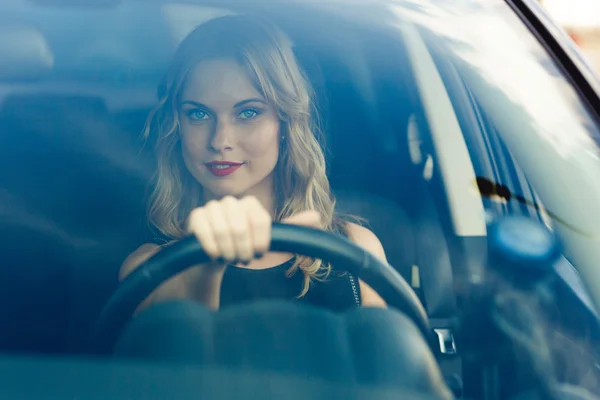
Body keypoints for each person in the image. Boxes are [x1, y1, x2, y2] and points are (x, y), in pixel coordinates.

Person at [120, 14, 387, 312]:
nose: (220, 140)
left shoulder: (355, 251)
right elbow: (173, 357)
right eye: (198, 114)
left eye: (247, 113)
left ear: (286, 123)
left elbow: (388, 359)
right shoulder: (147, 269)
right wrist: (200, 277)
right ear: (176, 126)